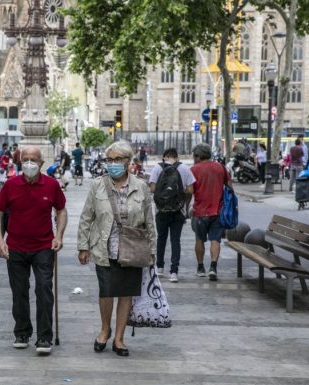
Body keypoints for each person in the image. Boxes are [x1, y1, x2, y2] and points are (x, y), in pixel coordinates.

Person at [77, 141, 155, 357]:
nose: (112, 164)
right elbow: (86, 217)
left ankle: (119, 338)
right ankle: (105, 330)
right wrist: (83, 246)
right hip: (103, 248)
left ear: (128, 162)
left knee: (126, 293)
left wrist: (152, 251)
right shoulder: (97, 185)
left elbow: (150, 222)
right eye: (109, 160)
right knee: (106, 291)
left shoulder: (141, 187)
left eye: (117, 160)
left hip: (133, 248)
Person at [0, 146, 67, 355]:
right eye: (25, 159)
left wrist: (59, 235)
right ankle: (22, 332)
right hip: (15, 246)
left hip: (43, 245)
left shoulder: (51, 185)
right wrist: (0, 240)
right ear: (20, 162)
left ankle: (44, 337)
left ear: (42, 163)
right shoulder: (11, 184)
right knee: (19, 291)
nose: (29, 163)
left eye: (34, 159)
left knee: (44, 289)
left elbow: (60, 210)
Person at [148, 148, 195, 283]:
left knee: (161, 238)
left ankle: (160, 267)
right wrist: (179, 193)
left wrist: (164, 193)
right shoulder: (184, 168)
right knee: (176, 240)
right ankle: (174, 272)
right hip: (178, 211)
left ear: (164, 157)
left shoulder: (158, 167)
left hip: (161, 210)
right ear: (177, 157)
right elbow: (191, 190)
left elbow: (152, 188)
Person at [190, 143, 230, 281]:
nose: (193, 158)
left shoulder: (194, 170)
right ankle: (213, 267)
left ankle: (200, 267)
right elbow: (229, 186)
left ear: (199, 156)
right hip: (218, 211)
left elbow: (190, 191)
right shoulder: (220, 168)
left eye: (194, 156)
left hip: (200, 212)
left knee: (199, 239)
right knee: (215, 240)